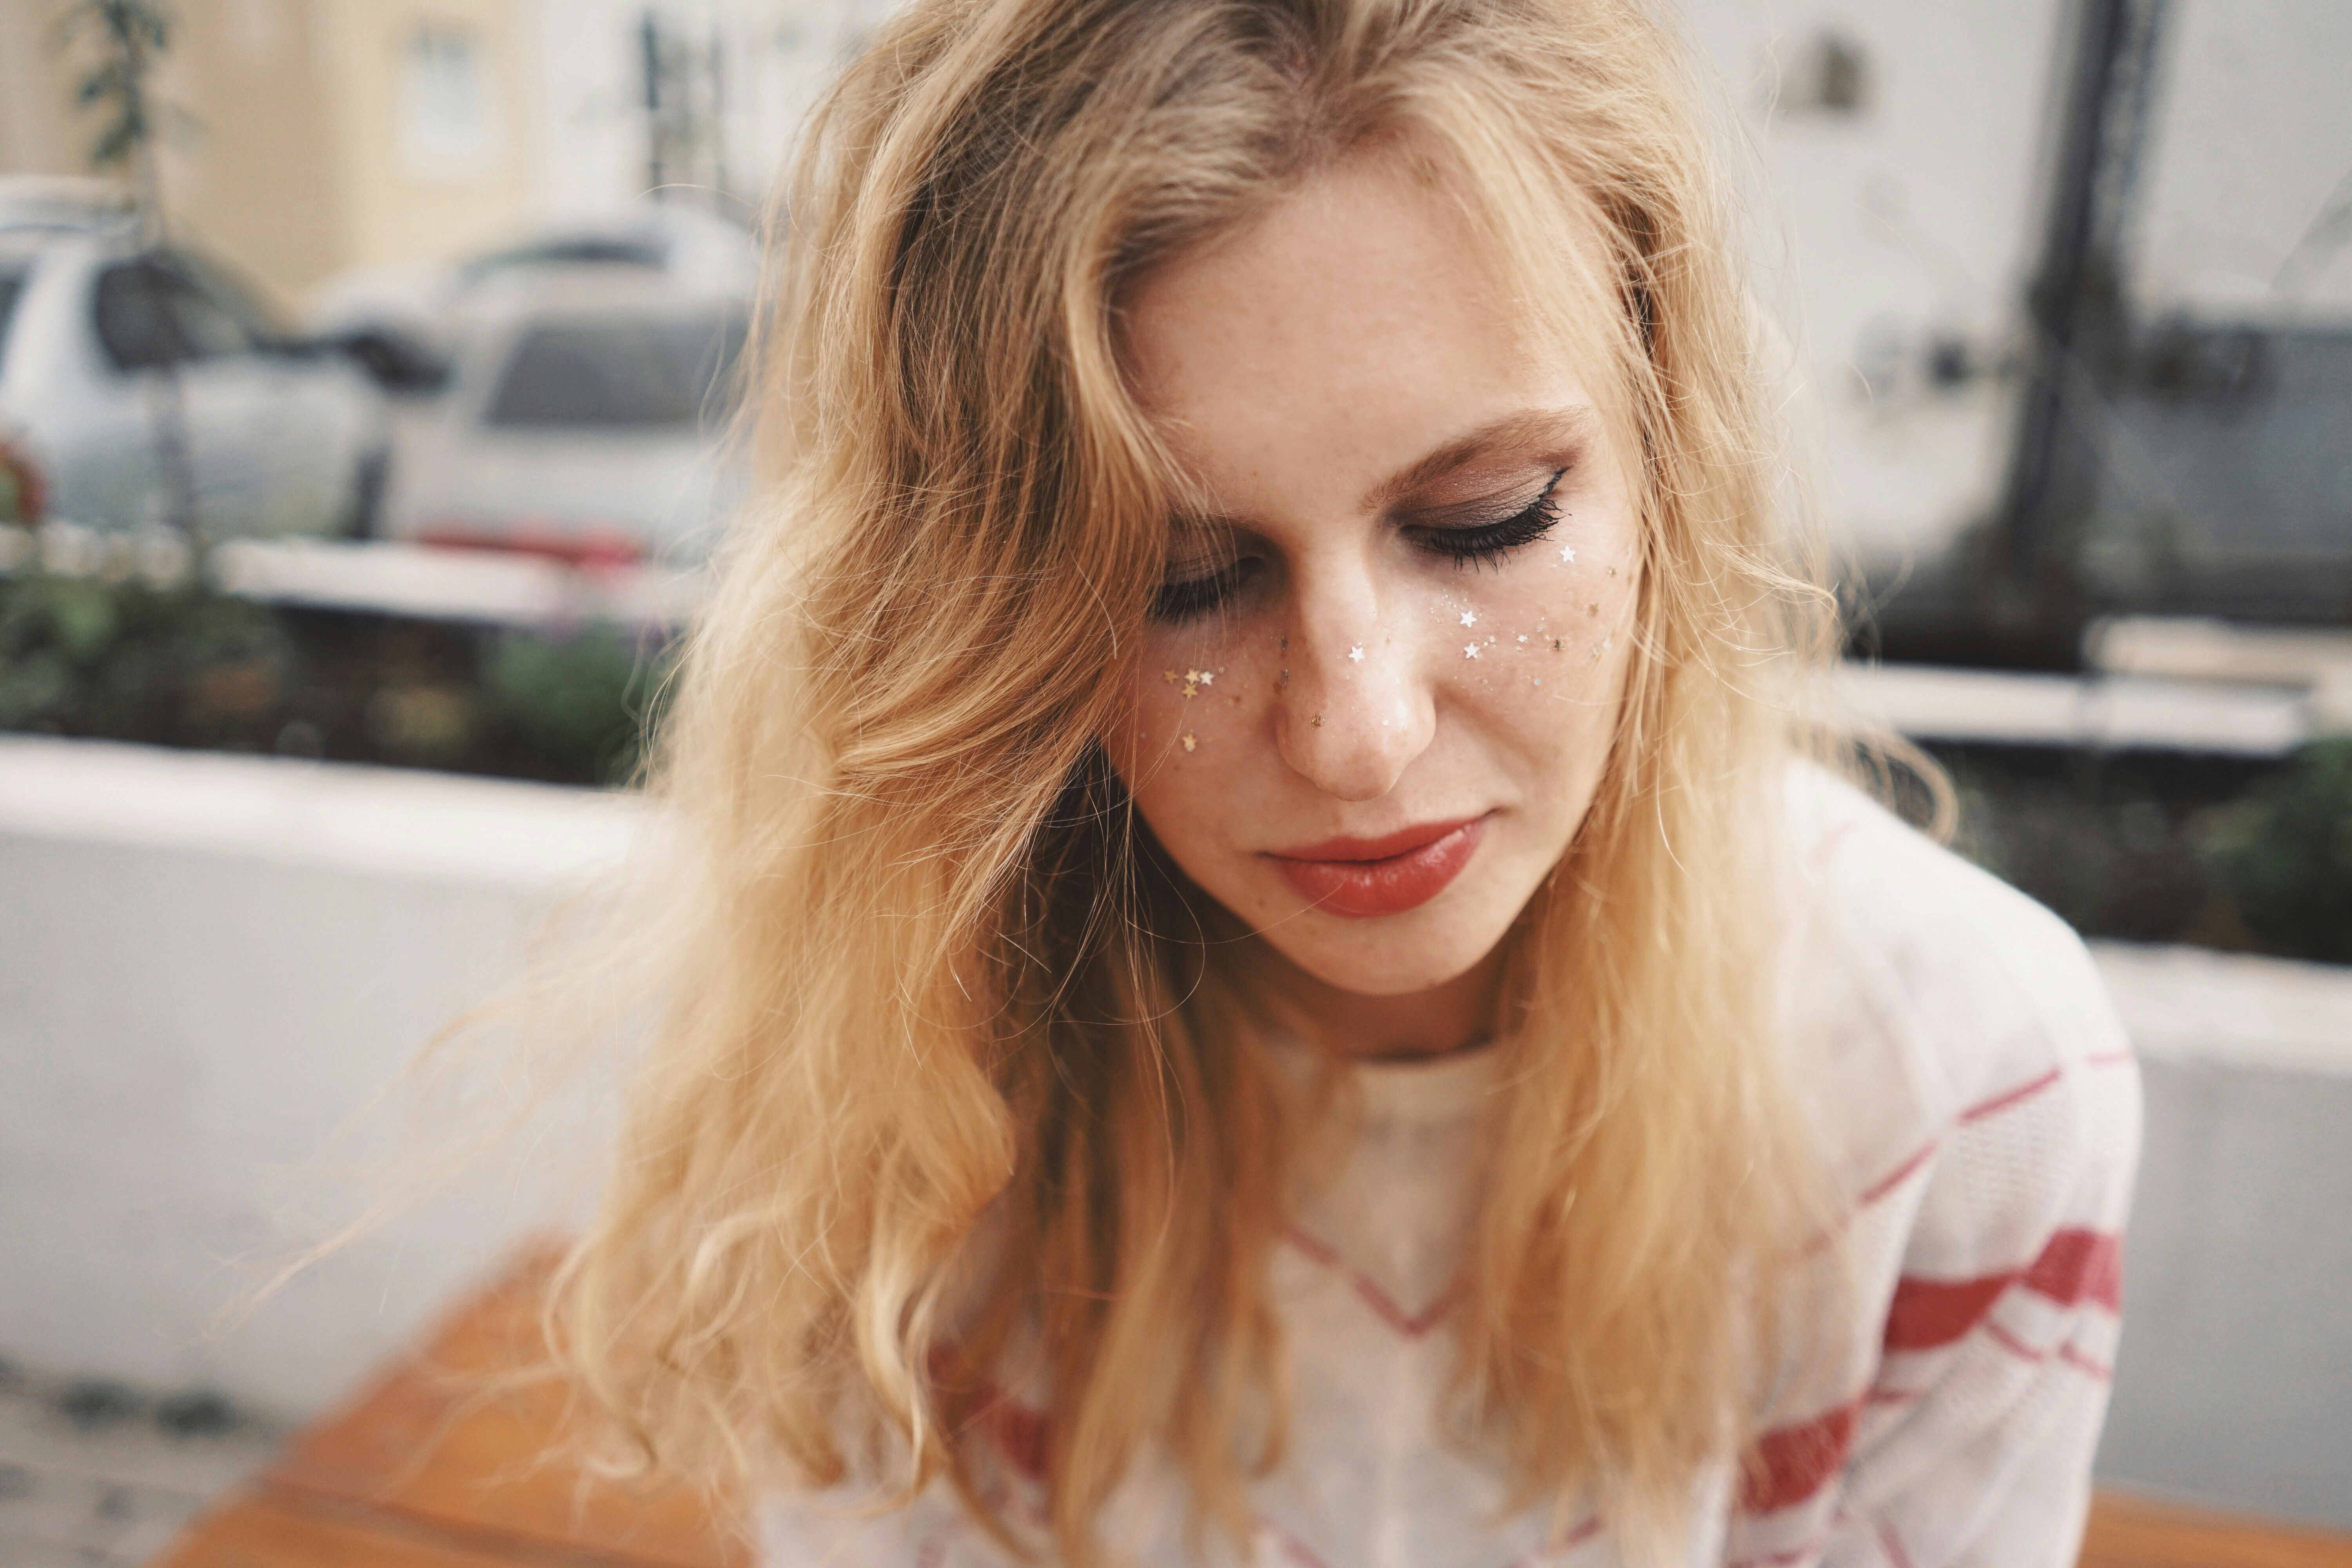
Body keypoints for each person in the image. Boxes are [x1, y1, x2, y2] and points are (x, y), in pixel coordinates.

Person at [548, 1, 2141, 1563]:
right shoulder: (895, 1065)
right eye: (1179, 579)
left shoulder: (1960, 1089)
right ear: (987, 611)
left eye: (1486, 518)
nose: (1357, 732)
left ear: (1669, 454)